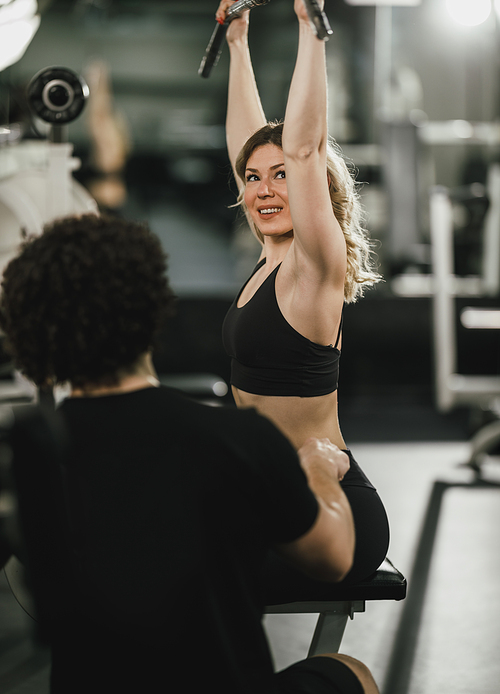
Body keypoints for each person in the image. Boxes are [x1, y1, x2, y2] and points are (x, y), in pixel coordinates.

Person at [0, 213, 379, 694]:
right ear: (152, 308)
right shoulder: (238, 439)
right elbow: (334, 558)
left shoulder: (27, 455)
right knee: (351, 674)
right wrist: (319, 469)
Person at [218, 0, 389, 591]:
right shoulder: (268, 256)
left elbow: (305, 149)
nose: (262, 188)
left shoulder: (314, 265)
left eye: (279, 176)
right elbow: (249, 145)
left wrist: (308, 28)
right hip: (273, 495)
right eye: (253, 179)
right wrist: (238, 47)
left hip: (331, 510)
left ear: (313, 189)